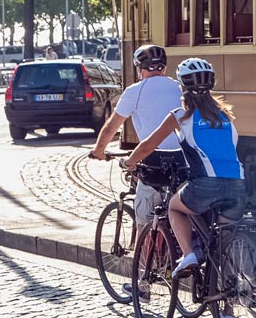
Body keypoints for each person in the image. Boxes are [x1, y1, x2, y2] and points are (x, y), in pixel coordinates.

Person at [125, 57, 246, 280]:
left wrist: (129, 162)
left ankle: (189, 255)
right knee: (221, 249)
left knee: (174, 207)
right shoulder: (225, 116)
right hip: (238, 186)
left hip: (206, 185)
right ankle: (228, 308)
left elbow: (149, 145)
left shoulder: (180, 116)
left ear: (182, 87)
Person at [90, 44, 184, 225]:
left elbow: (111, 127)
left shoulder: (135, 91)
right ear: (164, 68)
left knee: (144, 219)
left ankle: (142, 250)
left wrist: (99, 151)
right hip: (183, 159)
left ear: (139, 69)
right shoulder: (177, 87)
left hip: (154, 160)